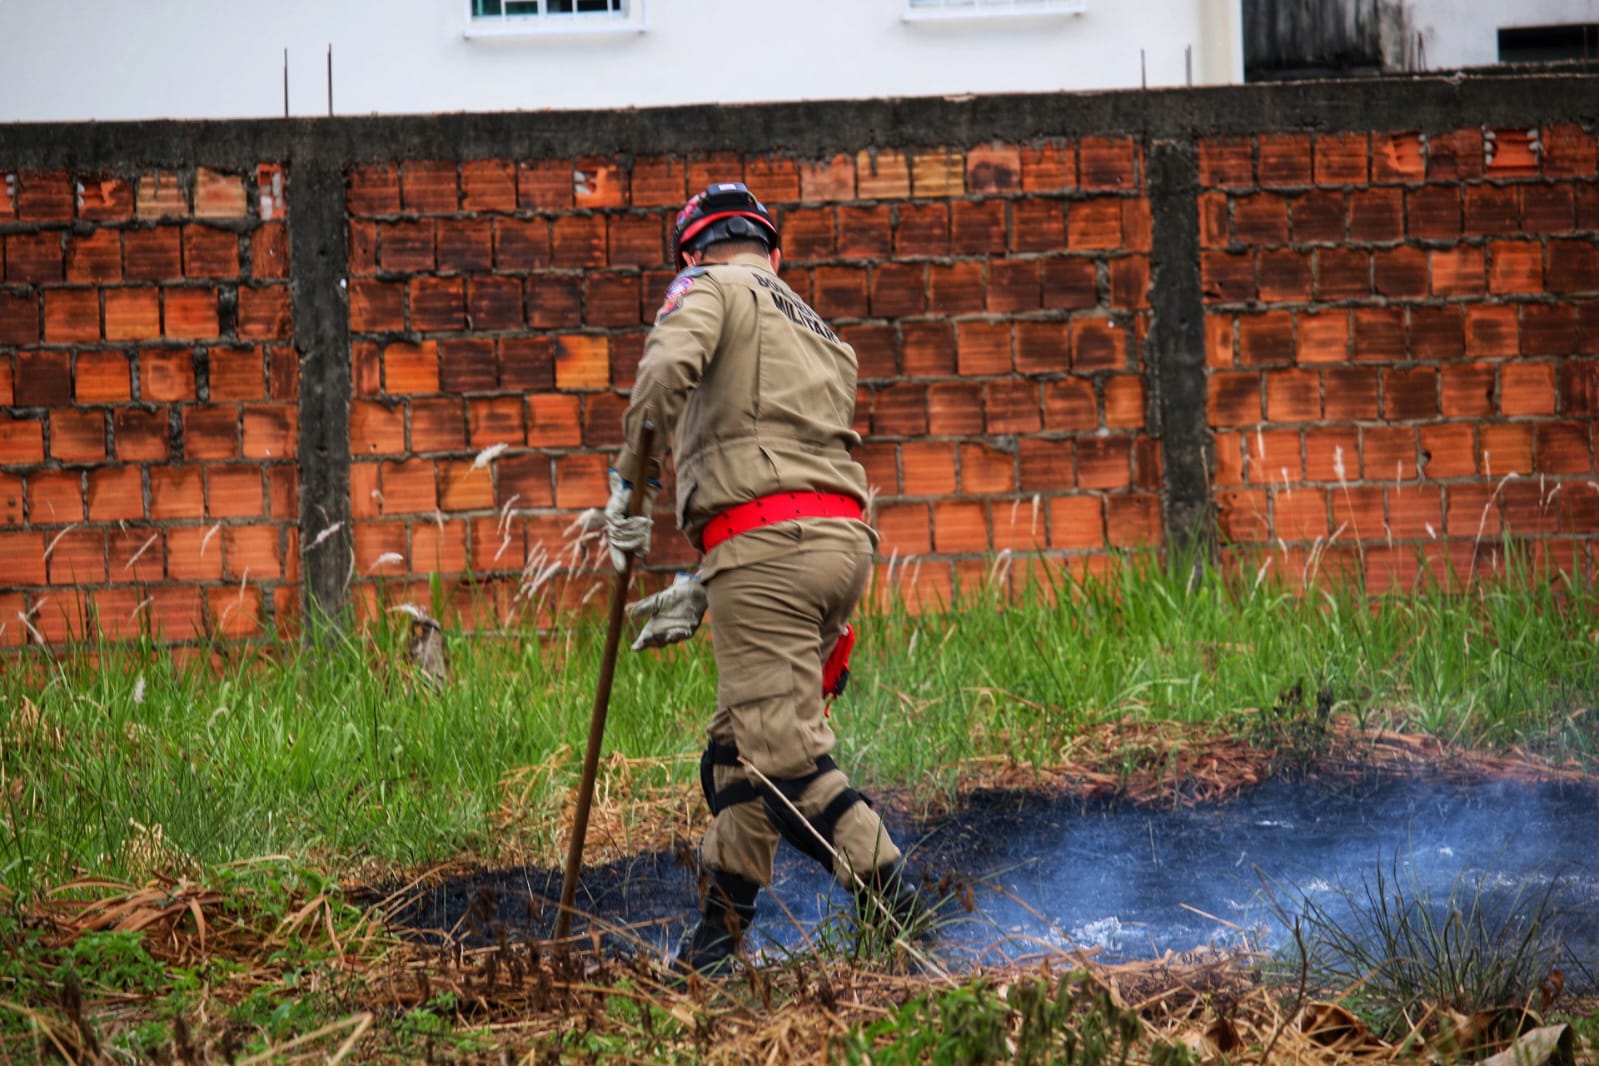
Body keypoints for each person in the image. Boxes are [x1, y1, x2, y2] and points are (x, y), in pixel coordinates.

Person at [601, 181, 921, 975]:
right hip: (836, 547)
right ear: (775, 254)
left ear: (691, 253)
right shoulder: (822, 332)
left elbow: (666, 371)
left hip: (768, 554)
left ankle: (908, 914)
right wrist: (709, 579)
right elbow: (789, 460)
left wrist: (630, 488)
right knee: (734, 757)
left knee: (782, 764)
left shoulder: (707, 287)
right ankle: (714, 947)